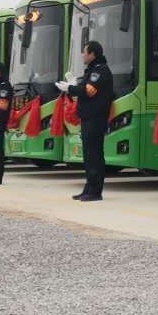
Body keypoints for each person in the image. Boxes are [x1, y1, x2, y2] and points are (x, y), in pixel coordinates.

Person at [56, 41, 113, 202]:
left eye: (85, 52)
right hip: (88, 118)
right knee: (88, 155)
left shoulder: (100, 71)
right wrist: (74, 85)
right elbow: (84, 87)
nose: (83, 55)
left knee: (94, 154)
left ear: (93, 54)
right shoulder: (92, 70)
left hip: (96, 118)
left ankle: (95, 191)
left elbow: (89, 91)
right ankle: (89, 187)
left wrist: (71, 88)